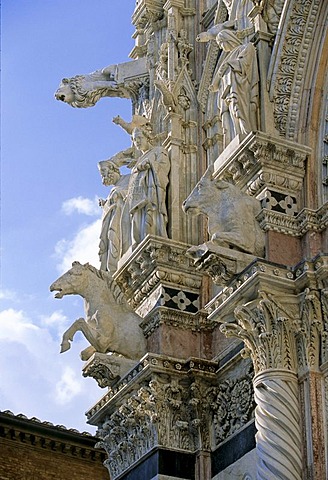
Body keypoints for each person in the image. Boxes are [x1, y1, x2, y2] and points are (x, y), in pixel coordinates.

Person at [209, 30, 259, 147]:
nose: (221, 47)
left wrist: (228, 65)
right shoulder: (229, 57)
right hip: (227, 93)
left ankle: (245, 132)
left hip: (240, 89)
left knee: (239, 111)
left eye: (222, 43)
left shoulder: (246, 48)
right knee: (228, 119)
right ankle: (235, 137)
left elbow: (245, 64)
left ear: (229, 39)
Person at [125, 125, 170, 249]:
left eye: (139, 137)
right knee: (137, 219)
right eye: (135, 140)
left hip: (152, 192)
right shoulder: (138, 160)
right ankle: (139, 241)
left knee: (150, 217)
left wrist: (151, 164)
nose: (137, 142)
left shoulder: (158, 151)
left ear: (147, 137)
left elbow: (164, 168)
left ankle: (153, 234)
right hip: (137, 198)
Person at [98, 160, 129, 273]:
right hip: (113, 219)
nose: (104, 176)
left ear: (113, 169)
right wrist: (105, 204)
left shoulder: (129, 178)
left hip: (122, 220)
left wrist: (120, 193)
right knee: (110, 241)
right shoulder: (113, 188)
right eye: (102, 174)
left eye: (104, 172)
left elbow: (136, 191)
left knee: (115, 238)